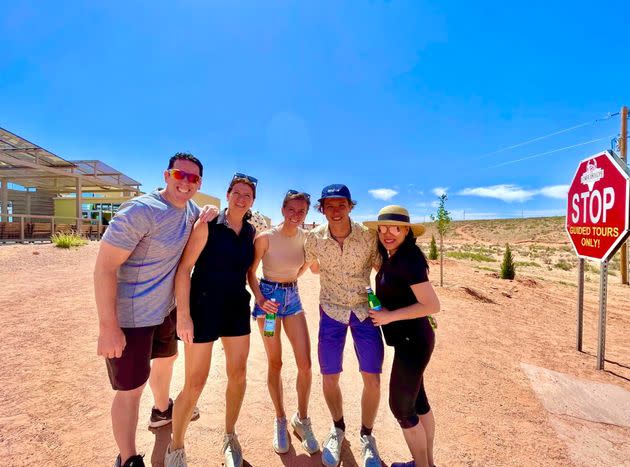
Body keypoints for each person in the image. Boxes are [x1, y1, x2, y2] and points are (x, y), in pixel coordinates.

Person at [95, 153, 217, 467]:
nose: (186, 182)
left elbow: (204, 230)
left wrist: (211, 212)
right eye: (180, 175)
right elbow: (105, 268)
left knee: (166, 362)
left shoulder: (192, 212)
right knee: (130, 390)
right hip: (132, 317)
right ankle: (127, 458)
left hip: (165, 311)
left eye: (193, 178)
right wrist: (109, 327)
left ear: (199, 183)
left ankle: (162, 410)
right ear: (167, 175)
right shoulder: (142, 211)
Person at [165, 173, 258, 467]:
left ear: (253, 201)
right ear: (228, 194)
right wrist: (184, 316)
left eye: (248, 195)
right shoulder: (207, 225)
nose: (242, 198)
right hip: (203, 307)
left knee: (239, 374)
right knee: (194, 383)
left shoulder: (251, 233)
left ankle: (230, 435)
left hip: (235, 308)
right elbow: (184, 269)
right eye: (237, 193)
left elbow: (249, 273)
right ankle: (175, 446)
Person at [304, 184, 384, 467]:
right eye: (329, 206)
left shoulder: (368, 237)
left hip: (365, 312)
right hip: (330, 312)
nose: (335, 211)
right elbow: (309, 266)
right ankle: (337, 428)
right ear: (322, 209)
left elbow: (383, 269)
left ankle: (367, 436)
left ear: (351, 206)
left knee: (372, 378)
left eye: (341, 205)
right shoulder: (313, 238)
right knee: (329, 376)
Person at [364, 205, 440, 467]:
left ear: (406, 231)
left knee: (401, 407)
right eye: (383, 228)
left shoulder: (408, 260)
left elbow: (432, 305)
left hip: (413, 342)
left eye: (395, 228)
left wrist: (388, 316)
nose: (387, 233)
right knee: (419, 402)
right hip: (413, 341)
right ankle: (426, 463)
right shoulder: (392, 257)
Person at [247, 190, 319, 456]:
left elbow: (306, 266)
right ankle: (280, 418)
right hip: (269, 305)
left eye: (302, 211)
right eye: (292, 209)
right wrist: (261, 298)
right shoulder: (265, 238)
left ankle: (302, 419)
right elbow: (251, 271)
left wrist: (292, 279)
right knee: (275, 362)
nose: (296, 215)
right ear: (283, 209)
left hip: (293, 301)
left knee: (306, 364)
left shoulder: (306, 239)